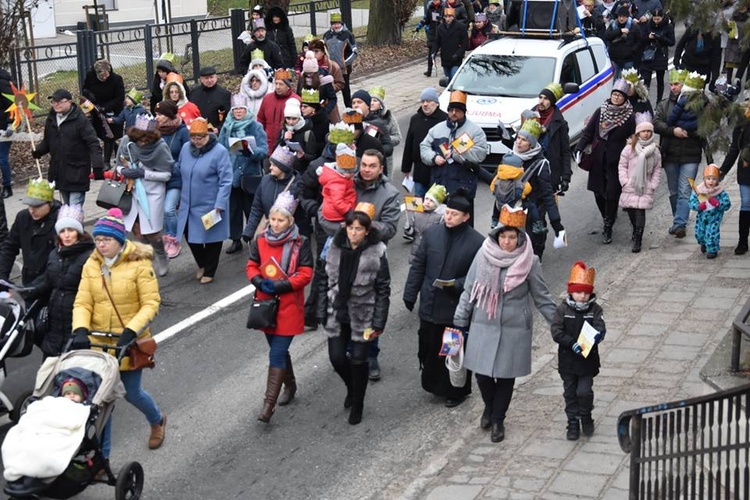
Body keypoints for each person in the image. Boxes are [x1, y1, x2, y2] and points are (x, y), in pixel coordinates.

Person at [453, 205, 556, 443]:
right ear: (496, 236)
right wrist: (459, 320)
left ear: (520, 238)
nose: (507, 242)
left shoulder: (530, 261)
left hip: (514, 328)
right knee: (482, 374)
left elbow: (542, 297)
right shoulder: (483, 255)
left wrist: (560, 324)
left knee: (506, 377)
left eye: (512, 237)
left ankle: (498, 419)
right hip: (483, 322)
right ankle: (489, 407)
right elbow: (470, 289)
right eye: (503, 236)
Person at [71, 208, 166, 457]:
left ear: (119, 241)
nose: (101, 245)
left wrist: (131, 331)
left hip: (127, 343)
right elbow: (83, 301)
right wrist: (80, 328)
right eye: (98, 240)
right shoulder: (92, 264)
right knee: (103, 401)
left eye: (106, 240)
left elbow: (151, 303)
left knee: (132, 393)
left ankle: (156, 420)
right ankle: (104, 456)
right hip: (99, 344)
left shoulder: (139, 264)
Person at [403, 189, 483, 406]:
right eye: (447, 213)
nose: (448, 217)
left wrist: (456, 284)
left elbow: (477, 276)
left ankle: (455, 391)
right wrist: (410, 294)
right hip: (430, 303)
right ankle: (433, 385)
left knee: (450, 349)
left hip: (454, 310)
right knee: (428, 346)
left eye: (454, 214)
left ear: (466, 217)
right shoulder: (433, 234)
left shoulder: (477, 242)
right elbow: (419, 265)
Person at [316, 207, 390, 425]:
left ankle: (358, 402)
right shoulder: (334, 247)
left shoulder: (377, 252)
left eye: (359, 229)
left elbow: (383, 289)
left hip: (363, 315)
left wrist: (379, 321)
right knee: (337, 358)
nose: (354, 233)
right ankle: (352, 387)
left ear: (367, 231)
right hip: (337, 313)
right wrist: (320, 309)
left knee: (359, 360)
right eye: (351, 228)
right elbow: (322, 279)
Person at [246, 191, 313, 423]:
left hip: (288, 305)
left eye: (280, 220)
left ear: (290, 221)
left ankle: (268, 406)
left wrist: (283, 285)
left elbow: (306, 273)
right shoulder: (261, 240)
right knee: (279, 350)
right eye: (272, 219)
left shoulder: (300, 242)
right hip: (266, 305)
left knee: (275, 352)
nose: (275, 224)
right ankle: (291, 386)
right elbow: (252, 265)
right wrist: (257, 280)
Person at [353, 150, 401, 380]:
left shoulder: (390, 193)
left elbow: (390, 228)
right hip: (345, 252)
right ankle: (348, 347)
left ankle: (371, 354)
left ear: (381, 168)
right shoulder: (348, 184)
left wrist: (366, 225)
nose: (366, 169)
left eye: (372, 166)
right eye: (364, 164)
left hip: (372, 254)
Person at [24, 204, 94, 358]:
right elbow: (48, 280)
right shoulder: (55, 253)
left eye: (71, 230)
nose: (67, 235)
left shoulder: (89, 256)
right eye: (62, 231)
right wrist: (29, 290)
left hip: (76, 318)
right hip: (55, 320)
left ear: (79, 232)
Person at [575, 79, 635, 244]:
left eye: (619, 95)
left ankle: (608, 226)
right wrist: (579, 148)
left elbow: (633, 137)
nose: (616, 98)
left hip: (617, 161)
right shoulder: (601, 111)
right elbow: (588, 133)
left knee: (612, 193)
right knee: (598, 192)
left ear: (624, 98)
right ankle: (607, 216)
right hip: (598, 158)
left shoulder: (629, 116)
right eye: (614, 94)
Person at [550, 261, 606, 441]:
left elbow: (600, 326)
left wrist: (598, 335)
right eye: (578, 292)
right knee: (570, 392)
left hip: (587, 360)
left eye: (585, 292)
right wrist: (570, 343)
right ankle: (572, 421)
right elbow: (556, 331)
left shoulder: (595, 310)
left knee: (585, 391)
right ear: (571, 292)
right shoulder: (562, 310)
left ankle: (586, 416)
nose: (582, 296)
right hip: (568, 361)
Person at [175, 118, 233, 284]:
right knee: (189, 234)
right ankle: (201, 263)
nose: (196, 141)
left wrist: (220, 204)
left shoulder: (219, 151)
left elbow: (226, 180)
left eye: (200, 138)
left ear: (207, 135)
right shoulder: (186, 148)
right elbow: (179, 168)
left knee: (212, 238)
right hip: (188, 204)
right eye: (193, 138)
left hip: (210, 204)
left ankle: (210, 269)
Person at [116, 114, 174, 277]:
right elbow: (119, 165)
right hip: (131, 190)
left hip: (153, 192)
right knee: (137, 230)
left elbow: (166, 175)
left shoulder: (160, 147)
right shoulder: (127, 142)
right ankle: (149, 255)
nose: (142, 143)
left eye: (146, 140)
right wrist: (125, 171)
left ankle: (162, 255)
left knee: (152, 230)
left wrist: (144, 173)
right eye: (139, 140)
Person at [420, 90, 488, 224]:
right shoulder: (437, 129)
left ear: (464, 112)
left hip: (463, 186)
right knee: (439, 224)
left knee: (463, 225)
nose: (454, 113)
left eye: (458, 110)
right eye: (451, 110)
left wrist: (458, 154)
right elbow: (424, 147)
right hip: (439, 185)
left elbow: (480, 154)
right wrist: (433, 158)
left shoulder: (475, 131)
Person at [33, 89, 105, 205]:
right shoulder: (51, 120)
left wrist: (97, 165)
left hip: (78, 171)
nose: (56, 104)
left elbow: (93, 143)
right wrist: (38, 151)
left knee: (74, 210)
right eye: (54, 101)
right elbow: (48, 141)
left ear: (69, 102)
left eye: (60, 101)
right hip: (60, 172)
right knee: (66, 207)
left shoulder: (80, 120)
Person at [217, 93, 269, 255]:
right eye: (236, 109)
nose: (238, 112)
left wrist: (250, 152)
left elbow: (264, 150)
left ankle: (255, 238)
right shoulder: (226, 127)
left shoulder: (256, 126)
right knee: (233, 210)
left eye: (241, 109)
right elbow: (221, 148)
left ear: (246, 110)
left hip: (250, 175)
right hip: (231, 175)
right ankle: (235, 239)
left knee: (251, 209)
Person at [662, 71, 709, 238]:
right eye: (672, 84)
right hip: (671, 155)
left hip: (691, 154)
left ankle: (680, 224)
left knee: (685, 190)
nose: (674, 87)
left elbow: (706, 129)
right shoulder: (664, 105)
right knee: (674, 191)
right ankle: (678, 219)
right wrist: (673, 131)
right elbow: (656, 123)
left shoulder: (701, 104)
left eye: (677, 84)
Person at [0, 179, 60, 285]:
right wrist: (2, 276)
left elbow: (61, 261)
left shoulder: (60, 221)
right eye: (30, 206)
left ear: (49, 203)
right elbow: (9, 247)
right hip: (29, 279)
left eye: (37, 206)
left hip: (53, 283)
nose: (32, 210)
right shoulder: (23, 218)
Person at [242, 145, 309, 240]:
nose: (270, 168)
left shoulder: (298, 185)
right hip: (270, 233)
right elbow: (257, 208)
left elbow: (303, 217)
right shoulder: (265, 181)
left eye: (274, 165)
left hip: (291, 237)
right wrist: (249, 232)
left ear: (283, 168)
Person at [617, 112, 662, 253]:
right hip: (631, 185)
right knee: (631, 210)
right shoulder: (629, 148)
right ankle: (635, 229)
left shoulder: (655, 151)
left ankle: (638, 239)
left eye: (649, 131)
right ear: (638, 133)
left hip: (645, 186)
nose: (646, 134)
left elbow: (657, 170)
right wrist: (625, 181)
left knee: (640, 212)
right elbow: (622, 165)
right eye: (643, 131)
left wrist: (653, 185)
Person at [154, 100, 190, 259]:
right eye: (156, 114)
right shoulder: (155, 130)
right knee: (162, 210)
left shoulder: (182, 131)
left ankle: (173, 239)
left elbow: (188, 154)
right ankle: (167, 237)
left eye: (160, 114)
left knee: (169, 208)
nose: (157, 117)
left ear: (169, 115)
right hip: (158, 177)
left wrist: (175, 167)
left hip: (176, 177)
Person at [401, 87, 449, 198]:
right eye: (423, 101)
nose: (425, 104)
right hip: (419, 171)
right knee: (419, 202)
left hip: (438, 171)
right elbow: (409, 144)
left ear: (436, 103)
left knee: (435, 205)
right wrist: (406, 168)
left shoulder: (445, 119)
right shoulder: (415, 119)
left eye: (428, 101)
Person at [82, 58, 125, 168]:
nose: (105, 78)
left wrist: (105, 108)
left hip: (112, 109)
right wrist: (88, 93)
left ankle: (106, 162)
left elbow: (120, 98)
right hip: (95, 108)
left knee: (109, 135)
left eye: (107, 75)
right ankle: (115, 148)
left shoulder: (116, 80)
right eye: (102, 77)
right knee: (97, 132)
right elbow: (84, 89)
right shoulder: (90, 77)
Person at [720, 104, 750, 255]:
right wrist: (723, 171)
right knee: (746, 204)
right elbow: (734, 149)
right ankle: (743, 241)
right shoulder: (743, 122)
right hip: (746, 169)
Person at [690, 164, 731, 259]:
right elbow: (691, 202)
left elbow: (727, 204)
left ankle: (712, 249)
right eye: (708, 179)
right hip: (702, 216)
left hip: (715, 216)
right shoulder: (699, 190)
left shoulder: (720, 192)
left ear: (718, 180)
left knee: (712, 232)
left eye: (714, 179)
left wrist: (718, 204)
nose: (711, 181)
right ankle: (703, 242)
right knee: (699, 233)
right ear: (704, 179)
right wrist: (698, 206)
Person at [257, 69, 301, 152]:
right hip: (267, 144)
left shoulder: (296, 100)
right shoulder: (267, 99)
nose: (277, 87)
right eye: (276, 83)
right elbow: (260, 119)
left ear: (288, 86)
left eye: (281, 84)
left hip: (286, 146)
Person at [317, 143, 358, 232]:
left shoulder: (339, 177)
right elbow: (338, 202)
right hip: (337, 215)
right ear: (344, 171)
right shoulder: (338, 183)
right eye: (351, 173)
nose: (353, 175)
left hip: (333, 211)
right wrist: (348, 212)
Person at [638, 8, 674, 103]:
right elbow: (642, 40)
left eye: (658, 19)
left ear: (662, 17)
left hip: (661, 54)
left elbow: (671, 42)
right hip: (649, 53)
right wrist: (648, 38)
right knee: (646, 79)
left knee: (660, 79)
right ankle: (644, 99)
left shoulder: (668, 26)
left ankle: (659, 101)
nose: (656, 21)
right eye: (654, 19)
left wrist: (661, 38)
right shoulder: (648, 25)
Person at [323, 12, 358, 107]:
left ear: (341, 23)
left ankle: (349, 110)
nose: (336, 26)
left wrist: (344, 63)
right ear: (331, 24)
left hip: (344, 69)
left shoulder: (348, 35)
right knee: (330, 90)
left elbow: (354, 52)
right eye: (334, 24)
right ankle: (331, 111)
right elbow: (324, 51)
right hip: (330, 69)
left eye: (338, 23)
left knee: (345, 90)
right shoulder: (326, 35)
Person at [673, 27, 722, 92]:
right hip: (687, 65)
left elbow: (716, 57)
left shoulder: (715, 36)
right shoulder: (692, 30)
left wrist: (714, 76)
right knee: (680, 91)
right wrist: (676, 60)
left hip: (702, 69)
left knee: (697, 95)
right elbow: (681, 44)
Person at [406, 183, 447, 262]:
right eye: (427, 199)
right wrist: (408, 229)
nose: (428, 202)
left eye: (432, 201)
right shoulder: (417, 213)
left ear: (438, 204)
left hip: (432, 252)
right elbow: (412, 233)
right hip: (417, 251)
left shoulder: (441, 216)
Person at [276, 98, 318, 173]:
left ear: (299, 118)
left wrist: (303, 156)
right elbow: (275, 151)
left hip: (301, 172)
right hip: (284, 170)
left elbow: (313, 156)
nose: (291, 122)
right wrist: (283, 140)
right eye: (288, 118)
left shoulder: (307, 133)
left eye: (294, 119)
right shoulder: (283, 130)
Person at [296, 51, 339, 124]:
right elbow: (298, 96)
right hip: (305, 117)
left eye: (311, 73)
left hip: (321, 116)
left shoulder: (325, 80)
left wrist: (325, 112)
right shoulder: (302, 79)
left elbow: (333, 98)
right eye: (307, 73)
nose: (309, 75)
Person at [604, 6, 642, 79]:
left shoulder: (634, 26)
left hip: (628, 59)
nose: (621, 18)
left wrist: (633, 50)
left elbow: (640, 40)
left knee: (630, 82)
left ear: (627, 17)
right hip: (615, 58)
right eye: (620, 16)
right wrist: (619, 31)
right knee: (614, 81)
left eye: (624, 17)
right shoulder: (613, 25)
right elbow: (607, 36)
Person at [189, 66, 232, 131]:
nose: (209, 80)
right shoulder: (194, 93)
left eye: (211, 77)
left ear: (216, 77)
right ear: (201, 79)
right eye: (206, 78)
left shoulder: (225, 94)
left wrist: (219, 128)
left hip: (216, 131)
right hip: (197, 130)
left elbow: (228, 115)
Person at [433, 7, 468, 80]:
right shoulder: (440, 28)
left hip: (456, 58)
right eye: (446, 17)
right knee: (447, 78)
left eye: (450, 17)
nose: (448, 19)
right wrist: (434, 52)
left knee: (454, 77)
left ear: (454, 17)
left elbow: (465, 43)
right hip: (445, 57)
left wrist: (458, 54)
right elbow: (437, 42)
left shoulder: (461, 27)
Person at [416, 0, 443, 76]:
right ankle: (429, 71)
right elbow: (426, 19)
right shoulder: (430, 8)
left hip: (443, 32)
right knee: (431, 53)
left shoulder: (443, 7)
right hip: (433, 33)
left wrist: (441, 19)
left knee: (445, 52)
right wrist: (419, 26)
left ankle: (447, 69)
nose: (435, 1)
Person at [0, 68, 13, 198]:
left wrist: (11, 123)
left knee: (2, 158)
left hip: (3, 127)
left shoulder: (2, 83)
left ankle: (7, 186)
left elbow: (13, 104)